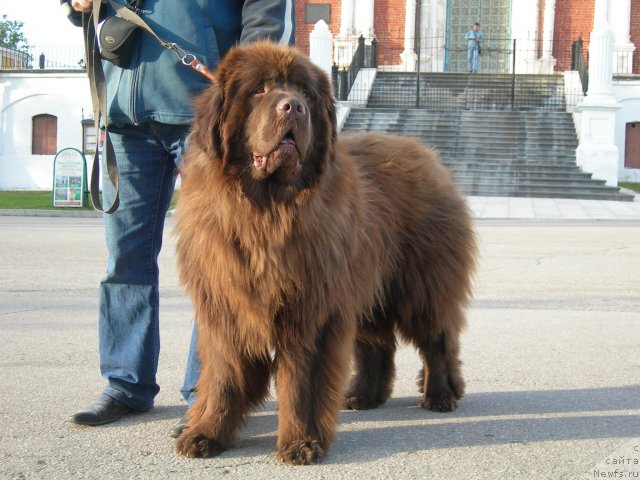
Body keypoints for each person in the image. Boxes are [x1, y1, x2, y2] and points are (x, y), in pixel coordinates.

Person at [65, 0, 295, 430]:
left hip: (205, 112)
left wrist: (253, 88)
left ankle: (208, 393)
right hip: (123, 110)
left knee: (219, 266)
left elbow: (267, 13)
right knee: (124, 260)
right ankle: (125, 383)